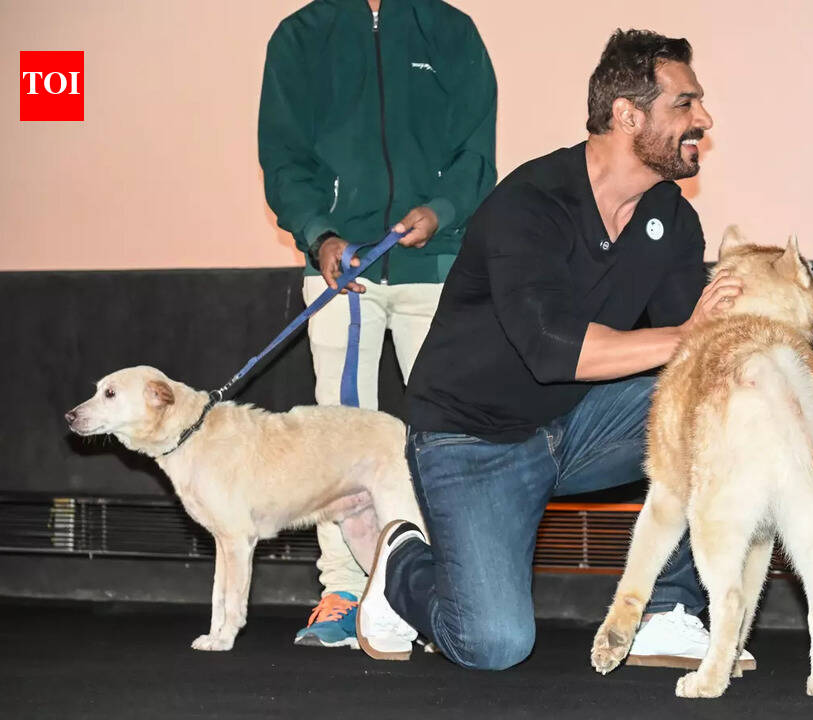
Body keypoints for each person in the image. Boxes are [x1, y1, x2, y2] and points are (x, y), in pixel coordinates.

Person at [350, 28, 757, 672]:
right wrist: (689, 336)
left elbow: (697, 353)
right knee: (493, 644)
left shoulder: (671, 218)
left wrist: (766, 315)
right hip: (470, 441)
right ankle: (403, 567)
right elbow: (551, 350)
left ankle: (670, 610)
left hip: (577, 424)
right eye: (685, 104)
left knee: (721, 399)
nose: (703, 119)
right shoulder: (530, 202)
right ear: (627, 114)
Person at [257, 0, 496, 649]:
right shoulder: (300, 36)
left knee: (448, 438)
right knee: (338, 438)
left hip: (436, 266)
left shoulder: (449, 30)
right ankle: (344, 587)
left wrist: (442, 208)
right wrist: (319, 233)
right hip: (344, 269)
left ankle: (454, 587)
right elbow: (283, 158)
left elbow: (477, 152)